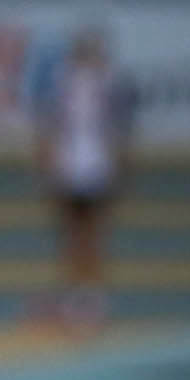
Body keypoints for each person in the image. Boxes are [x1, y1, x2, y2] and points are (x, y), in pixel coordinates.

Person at [35, 28, 133, 328]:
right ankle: (74, 297)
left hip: (95, 168)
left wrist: (119, 168)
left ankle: (91, 298)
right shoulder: (64, 82)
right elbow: (52, 127)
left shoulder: (108, 84)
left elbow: (118, 131)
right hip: (71, 167)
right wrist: (49, 164)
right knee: (73, 235)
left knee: (91, 236)